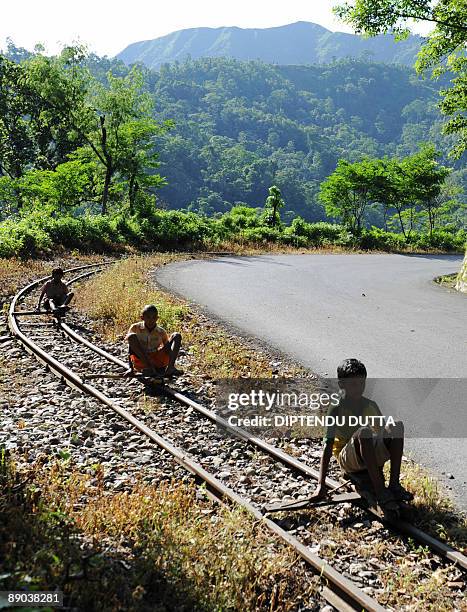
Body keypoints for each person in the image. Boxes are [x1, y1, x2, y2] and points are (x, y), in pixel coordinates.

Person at [312, 358, 413, 511]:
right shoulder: (336, 408)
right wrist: (321, 485)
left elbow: (382, 437)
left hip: (366, 452)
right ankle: (381, 491)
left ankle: (394, 485)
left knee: (396, 425)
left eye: (361, 383)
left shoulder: (370, 405)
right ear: (342, 385)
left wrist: (379, 463)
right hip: (348, 459)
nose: (358, 388)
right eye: (353, 384)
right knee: (364, 432)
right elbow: (327, 446)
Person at [126, 304, 182, 377]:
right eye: (148, 317)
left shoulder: (161, 331)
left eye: (154, 317)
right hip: (141, 360)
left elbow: (168, 349)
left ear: (157, 318)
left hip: (156, 359)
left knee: (176, 335)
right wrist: (131, 368)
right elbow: (130, 348)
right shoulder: (135, 327)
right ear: (142, 318)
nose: (151, 320)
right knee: (131, 336)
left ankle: (170, 368)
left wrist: (170, 359)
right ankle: (149, 367)